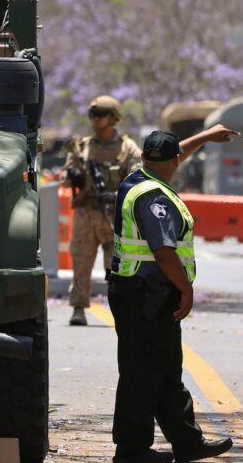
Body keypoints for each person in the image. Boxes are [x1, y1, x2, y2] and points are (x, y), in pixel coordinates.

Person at [107, 126, 240, 463]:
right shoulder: (154, 197)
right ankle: (131, 450)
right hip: (145, 294)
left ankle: (187, 442)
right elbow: (163, 250)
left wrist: (206, 136)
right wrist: (186, 289)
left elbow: (173, 151)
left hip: (144, 291)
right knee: (142, 372)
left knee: (165, 370)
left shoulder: (139, 177)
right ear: (174, 162)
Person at [62, 95, 142, 326]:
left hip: (115, 215)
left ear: (114, 118)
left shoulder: (128, 148)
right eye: (93, 115)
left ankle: (120, 310)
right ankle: (78, 308)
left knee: (117, 267)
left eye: (101, 115)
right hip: (87, 212)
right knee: (81, 262)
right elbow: (65, 178)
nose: (96, 119)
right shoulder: (82, 148)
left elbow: (136, 178)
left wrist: (117, 196)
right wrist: (73, 176)